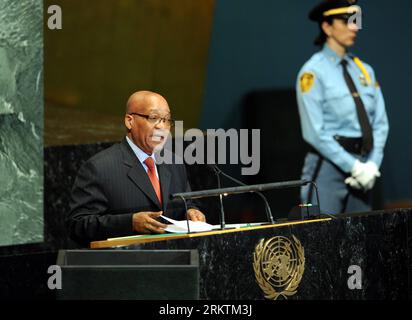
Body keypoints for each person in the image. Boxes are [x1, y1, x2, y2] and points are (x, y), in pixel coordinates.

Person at [67, 90, 205, 244]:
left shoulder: (174, 164)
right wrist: (130, 223)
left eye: (166, 120)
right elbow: (77, 225)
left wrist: (192, 212)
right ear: (129, 121)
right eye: (153, 118)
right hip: (126, 264)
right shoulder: (99, 167)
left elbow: (187, 203)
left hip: (175, 262)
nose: (162, 126)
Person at [296, 0, 389, 214]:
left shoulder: (364, 70)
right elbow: (314, 133)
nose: (354, 27)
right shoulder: (313, 72)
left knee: (360, 240)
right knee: (320, 239)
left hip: (365, 168)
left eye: (357, 21)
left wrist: (372, 165)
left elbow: (381, 123)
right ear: (327, 27)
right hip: (328, 167)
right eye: (347, 21)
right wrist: (353, 167)